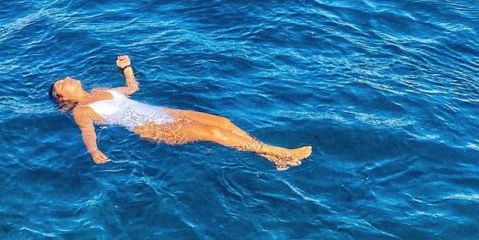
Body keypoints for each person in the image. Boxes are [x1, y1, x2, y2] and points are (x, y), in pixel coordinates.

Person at [49, 55, 312, 169]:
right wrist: (93, 151)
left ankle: (270, 156)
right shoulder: (81, 110)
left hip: (164, 113)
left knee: (222, 121)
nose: (69, 77)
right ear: (64, 97)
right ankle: (280, 153)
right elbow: (87, 132)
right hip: (149, 128)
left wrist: (127, 67)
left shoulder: (98, 89)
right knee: (212, 133)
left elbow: (132, 89)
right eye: (63, 82)